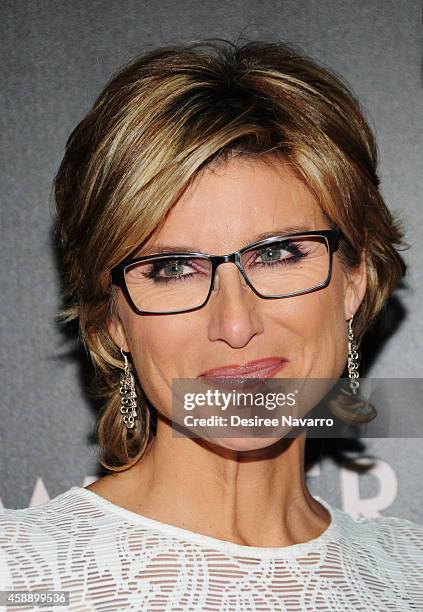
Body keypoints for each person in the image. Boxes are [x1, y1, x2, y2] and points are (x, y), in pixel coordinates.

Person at [1, 39, 422, 611]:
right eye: (172, 268)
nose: (235, 321)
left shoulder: (410, 576)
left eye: (277, 255)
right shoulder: (18, 574)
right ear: (111, 322)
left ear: (354, 281)